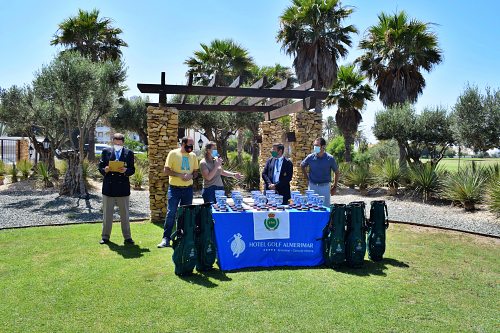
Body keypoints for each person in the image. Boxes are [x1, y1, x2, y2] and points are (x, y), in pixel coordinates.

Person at [157, 137, 199, 248]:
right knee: (171, 213)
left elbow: (196, 173)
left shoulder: (193, 156)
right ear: (183, 143)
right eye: (189, 144)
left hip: (188, 189)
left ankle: (183, 238)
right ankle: (166, 239)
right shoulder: (173, 154)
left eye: (192, 145)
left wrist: (191, 176)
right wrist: (180, 175)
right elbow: (166, 170)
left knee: (186, 214)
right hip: (174, 189)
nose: (191, 147)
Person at [98, 133, 136, 245]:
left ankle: (127, 237)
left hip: (122, 187)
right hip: (109, 187)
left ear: (123, 141)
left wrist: (126, 171)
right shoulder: (106, 151)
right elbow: (100, 167)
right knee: (107, 214)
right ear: (113, 140)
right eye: (116, 140)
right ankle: (105, 237)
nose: (118, 142)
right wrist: (105, 169)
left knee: (125, 215)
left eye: (120, 140)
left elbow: (132, 169)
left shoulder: (129, 153)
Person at [300, 137, 339, 207]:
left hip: (325, 187)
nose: (315, 147)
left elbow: (336, 172)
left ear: (323, 146)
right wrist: (307, 178)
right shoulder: (310, 157)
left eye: (317, 145)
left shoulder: (330, 158)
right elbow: (302, 165)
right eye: (314, 145)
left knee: (325, 208)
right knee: (311, 208)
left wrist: (334, 186)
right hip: (312, 187)